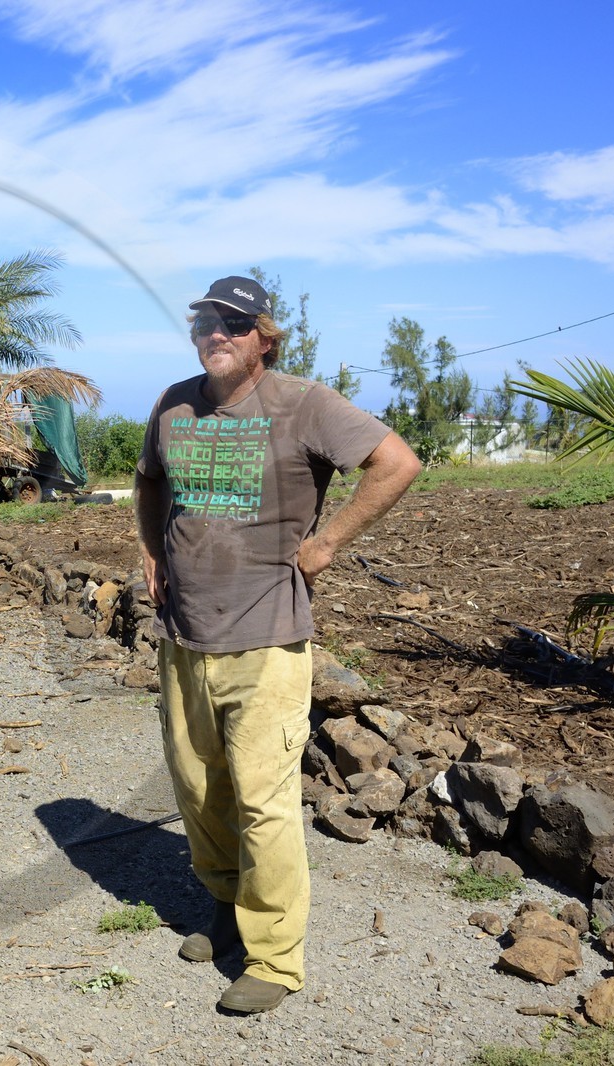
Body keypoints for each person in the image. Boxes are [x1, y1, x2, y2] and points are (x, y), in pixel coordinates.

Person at [134, 274, 421, 1014]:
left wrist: (328, 542)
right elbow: (150, 483)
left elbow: (398, 463)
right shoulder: (173, 403)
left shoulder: (304, 404)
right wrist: (152, 552)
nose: (215, 333)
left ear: (265, 336)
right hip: (184, 635)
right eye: (204, 321)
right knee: (200, 792)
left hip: (266, 636)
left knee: (262, 801)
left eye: (232, 323)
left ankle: (275, 958)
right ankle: (227, 909)